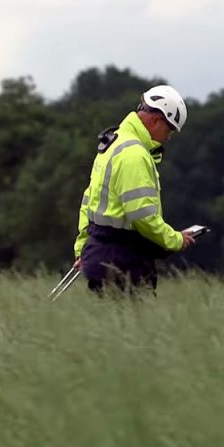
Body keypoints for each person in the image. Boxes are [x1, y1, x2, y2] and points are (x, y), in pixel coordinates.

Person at [71, 85, 196, 295]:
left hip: (98, 255)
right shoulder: (134, 155)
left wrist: (82, 249)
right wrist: (175, 239)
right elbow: (142, 217)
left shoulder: (114, 142)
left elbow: (88, 201)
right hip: (123, 263)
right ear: (156, 120)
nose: (169, 137)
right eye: (170, 129)